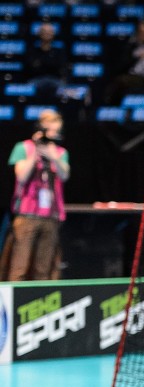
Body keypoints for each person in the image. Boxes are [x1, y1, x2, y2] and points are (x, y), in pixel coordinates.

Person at [1, 110, 69, 281]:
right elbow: (22, 176)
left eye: (57, 132)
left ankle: (42, 304)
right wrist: (36, 152)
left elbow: (65, 175)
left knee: (44, 268)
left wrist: (53, 157)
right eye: (51, 131)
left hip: (51, 215)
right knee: (19, 267)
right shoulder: (23, 147)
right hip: (27, 214)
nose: (54, 135)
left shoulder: (60, 152)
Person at [25, 22, 66, 100]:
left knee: (63, 90)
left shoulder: (59, 51)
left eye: (49, 32)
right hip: (36, 80)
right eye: (44, 31)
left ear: (53, 34)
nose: (47, 34)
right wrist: (49, 64)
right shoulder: (32, 51)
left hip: (55, 80)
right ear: (39, 33)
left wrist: (41, 64)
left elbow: (59, 68)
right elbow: (31, 69)